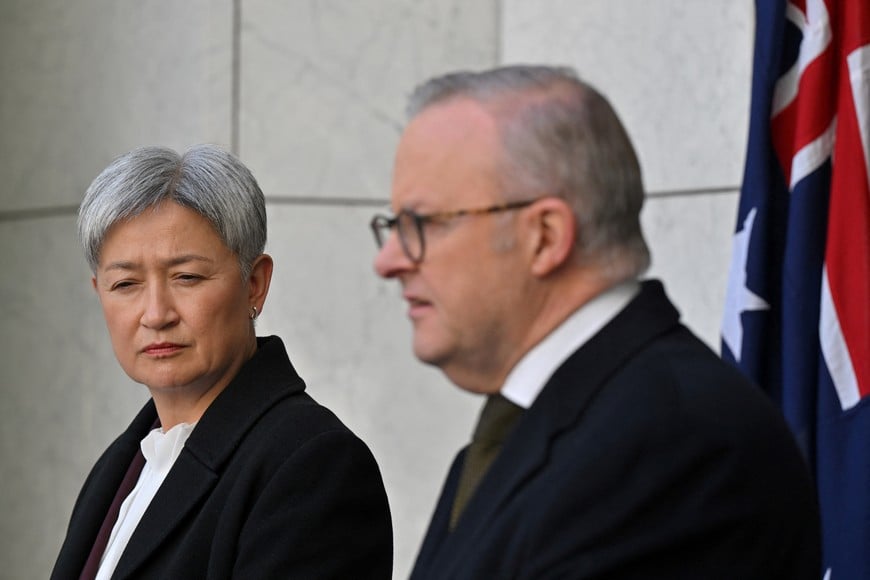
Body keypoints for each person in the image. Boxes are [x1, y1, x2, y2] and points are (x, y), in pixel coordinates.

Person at [370, 65, 821, 579]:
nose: (388, 261)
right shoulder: (523, 430)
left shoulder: (679, 444)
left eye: (421, 224)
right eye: (393, 226)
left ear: (544, 235)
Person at [52, 145, 392, 579]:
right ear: (98, 292)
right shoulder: (123, 465)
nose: (156, 314)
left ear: (254, 284)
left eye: (187, 277)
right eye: (126, 284)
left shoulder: (312, 466)